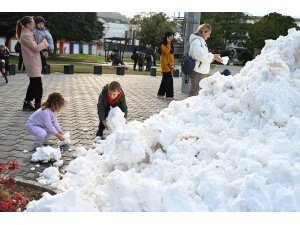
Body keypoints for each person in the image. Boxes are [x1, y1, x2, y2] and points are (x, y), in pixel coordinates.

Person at [16, 16, 49, 111]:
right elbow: (35, 48)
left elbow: (37, 48)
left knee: (33, 84)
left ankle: (27, 103)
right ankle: (38, 105)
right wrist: (45, 42)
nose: (35, 25)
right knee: (38, 85)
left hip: (35, 62)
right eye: (33, 23)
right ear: (28, 25)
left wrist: (44, 50)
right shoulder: (26, 35)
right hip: (32, 63)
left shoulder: (29, 33)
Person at [188, 23, 222, 97]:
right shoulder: (197, 41)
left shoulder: (200, 41)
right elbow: (201, 56)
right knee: (194, 93)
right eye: (209, 34)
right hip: (197, 71)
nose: (209, 36)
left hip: (199, 70)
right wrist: (213, 56)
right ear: (204, 32)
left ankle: (190, 107)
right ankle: (187, 108)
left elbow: (204, 55)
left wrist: (213, 57)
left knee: (196, 92)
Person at [157, 32, 175, 99]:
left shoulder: (170, 44)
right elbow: (166, 52)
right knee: (169, 79)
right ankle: (169, 95)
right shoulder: (163, 44)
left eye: (172, 36)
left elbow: (171, 55)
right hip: (165, 64)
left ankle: (160, 94)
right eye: (170, 36)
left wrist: (172, 63)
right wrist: (168, 43)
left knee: (165, 79)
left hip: (170, 63)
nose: (172, 37)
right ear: (167, 36)